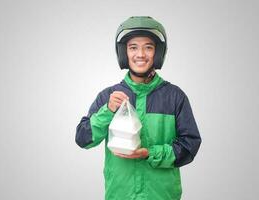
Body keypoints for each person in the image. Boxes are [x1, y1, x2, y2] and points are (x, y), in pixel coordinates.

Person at [75, 16, 201, 200]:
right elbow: (83, 139)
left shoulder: (175, 97)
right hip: (120, 195)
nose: (140, 54)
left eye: (148, 47)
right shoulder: (108, 96)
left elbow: (190, 146)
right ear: (123, 53)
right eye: (133, 47)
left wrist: (150, 153)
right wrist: (107, 111)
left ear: (158, 53)